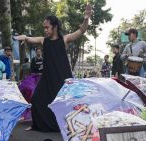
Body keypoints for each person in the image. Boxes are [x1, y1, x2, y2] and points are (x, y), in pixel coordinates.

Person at [15, 4, 92, 132]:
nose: (45, 30)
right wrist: (25, 38)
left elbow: (81, 31)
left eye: (47, 27)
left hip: (62, 78)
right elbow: (30, 39)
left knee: (64, 104)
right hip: (47, 78)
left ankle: (66, 126)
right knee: (37, 99)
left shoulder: (65, 39)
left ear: (55, 27)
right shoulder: (43, 41)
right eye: (44, 27)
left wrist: (86, 18)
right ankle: (37, 125)